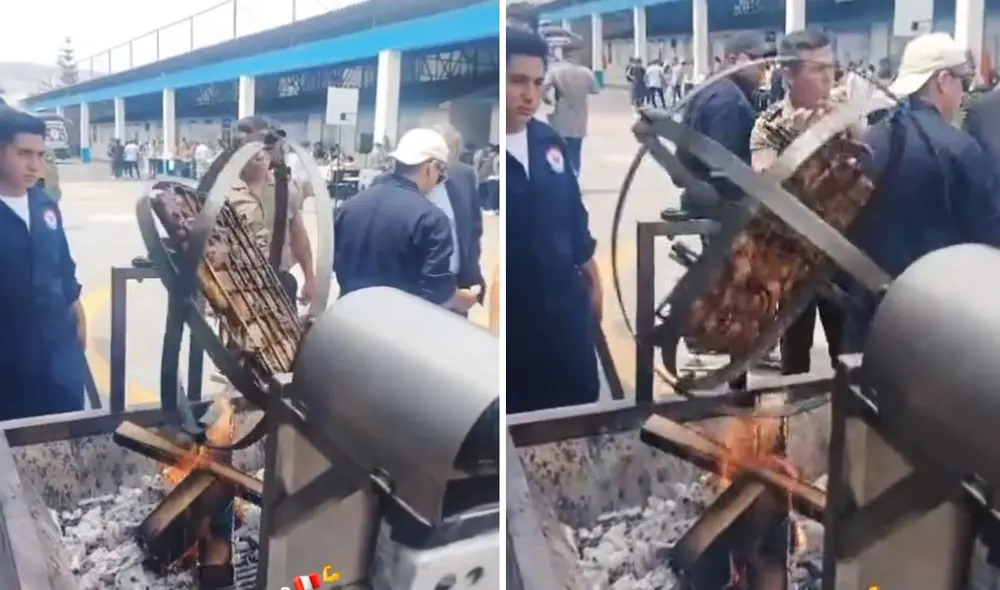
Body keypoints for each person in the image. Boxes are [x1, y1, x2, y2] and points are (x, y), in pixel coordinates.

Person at [844, 32, 1000, 350]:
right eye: (963, 82)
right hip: (935, 315)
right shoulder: (959, 149)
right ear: (943, 80)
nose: (963, 93)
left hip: (871, 307)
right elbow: (988, 237)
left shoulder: (874, 138)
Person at [507, 27, 603, 413]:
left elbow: (572, 213)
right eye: (516, 81)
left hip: (564, 311)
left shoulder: (548, 142)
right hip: (519, 321)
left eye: (535, 82)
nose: (530, 94)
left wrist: (592, 274)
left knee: (578, 403)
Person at [674, 31, 771, 390]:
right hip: (724, 207)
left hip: (705, 199)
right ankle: (736, 378)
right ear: (734, 59)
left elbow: (687, 153)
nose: (763, 68)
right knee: (740, 292)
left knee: (723, 283)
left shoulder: (709, 91)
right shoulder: (730, 102)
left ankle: (729, 364)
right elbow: (728, 168)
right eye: (756, 58)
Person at [749, 29, 844, 377]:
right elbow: (769, 188)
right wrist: (804, 143)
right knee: (795, 357)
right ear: (788, 74)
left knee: (848, 353)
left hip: (843, 256)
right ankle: (793, 425)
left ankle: (848, 427)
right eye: (817, 70)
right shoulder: (769, 127)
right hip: (793, 258)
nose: (828, 77)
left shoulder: (847, 117)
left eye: (831, 67)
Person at [0, 108, 87, 420]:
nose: (34, 165)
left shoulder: (44, 205)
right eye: (23, 153)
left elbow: (63, 265)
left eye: (40, 154)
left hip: (56, 352)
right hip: (9, 357)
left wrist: (76, 308)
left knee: (66, 433)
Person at [333, 128, 480, 311]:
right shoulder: (431, 219)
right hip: (402, 325)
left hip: (350, 317)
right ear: (431, 167)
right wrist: (459, 300)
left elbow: (336, 263)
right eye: (440, 176)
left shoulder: (347, 208)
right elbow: (436, 292)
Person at [231, 116, 317, 304]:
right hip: (238, 288)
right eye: (252, 146)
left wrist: (309, 278)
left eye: (266, 145)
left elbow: (298, 235)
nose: (259, 154)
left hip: (279, 283)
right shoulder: (224, 192)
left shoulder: (285, 188)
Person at [431, 123, 487, 314]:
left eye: (450, 159)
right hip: (421, 291)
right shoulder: (410, 184)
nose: (443, 170)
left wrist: (471, 272)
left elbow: (474, 229)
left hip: (458, 286)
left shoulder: (464, 177)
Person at [544, 49, 601, 175]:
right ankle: (575, 174)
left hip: (562, 112)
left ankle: (561, 174)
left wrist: (548, 100)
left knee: (559, 146)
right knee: (576, 148)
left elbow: (543, 88)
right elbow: (595, 90)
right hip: (580, 114)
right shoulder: (586, 72)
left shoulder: (555, 71)